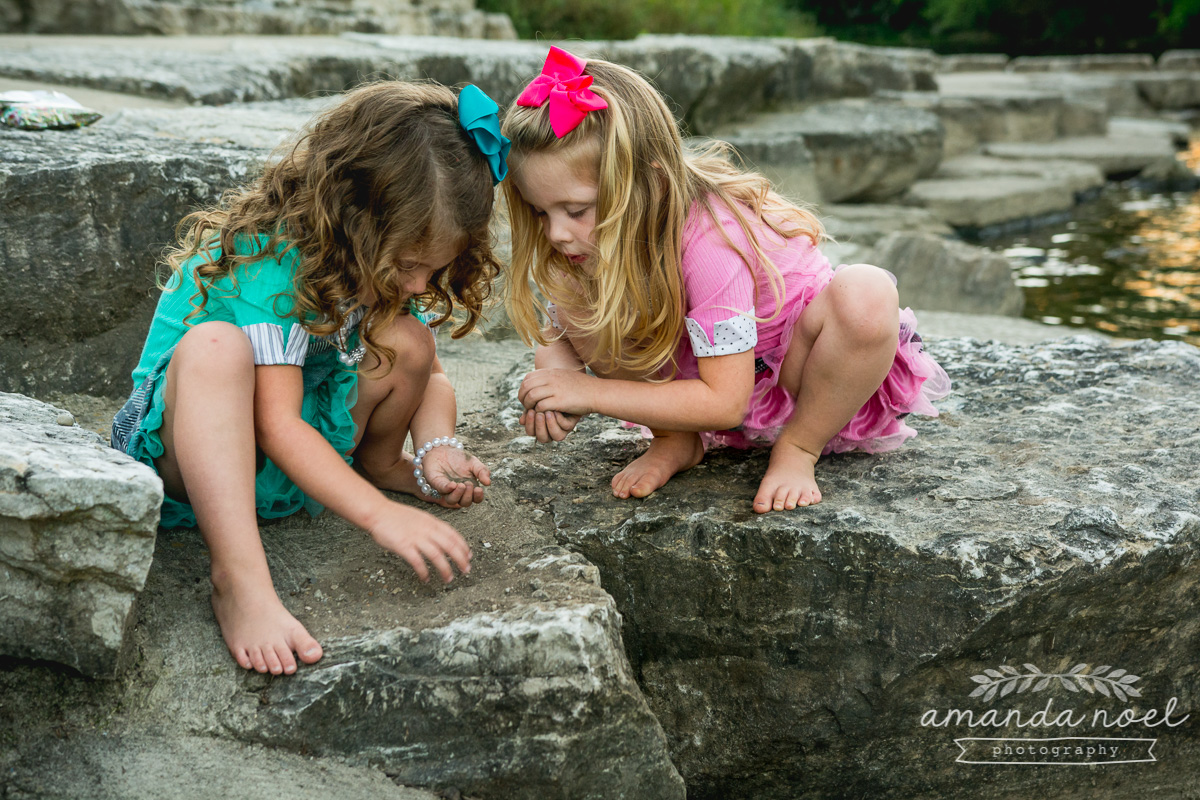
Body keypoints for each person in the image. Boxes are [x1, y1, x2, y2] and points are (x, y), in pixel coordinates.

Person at [111, 81, 511, 675]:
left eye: (437, 268)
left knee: (407, 338)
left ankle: (377, 466)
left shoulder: (386, 266)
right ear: (355, 217)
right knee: (216, 348)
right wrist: (380, 517)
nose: (423, 284)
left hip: (288, 457)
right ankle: (238, 578)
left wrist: (436, 445)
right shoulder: (271, 259)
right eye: (410, 265)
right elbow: (275, 424)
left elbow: (431, 372)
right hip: (193, 458)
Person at [502, 47, 950, 514]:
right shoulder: (586, 242)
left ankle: (798, 448)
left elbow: (725, 403)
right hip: (703, 375)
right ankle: (676, 438)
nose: (555, 232)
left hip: (800, 373)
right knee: (583, 298)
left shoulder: (712, 240)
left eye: (575, 211)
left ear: (651, 183)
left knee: (867, 292)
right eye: (540, 212)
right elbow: (561, 335)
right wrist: (557, 378)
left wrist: (590, 393)